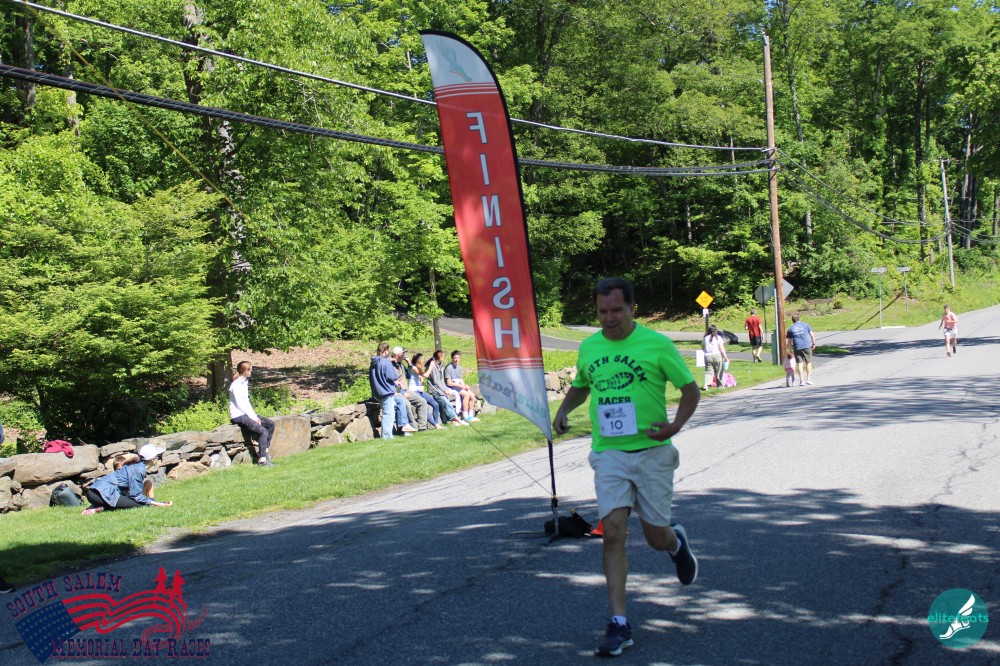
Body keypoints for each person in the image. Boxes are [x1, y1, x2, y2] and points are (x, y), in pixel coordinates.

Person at [552, 277, 700, 658]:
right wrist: (564, 409)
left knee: (655, 537)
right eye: (602, 311)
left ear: (633, 309)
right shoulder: (590, 347)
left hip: (652, 451)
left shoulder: (657, 344)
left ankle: (676, 542)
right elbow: (582, 383)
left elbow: (690, 390)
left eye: (617, 310)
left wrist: (674, 426)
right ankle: (619, 623)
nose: (609, 318)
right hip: (610, 454)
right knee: (613, 533)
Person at [81, 445, 173, 514]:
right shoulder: (139, 470)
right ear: (153, 459)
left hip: (95, 492)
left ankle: (98, 506)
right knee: (139, 505)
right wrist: (159, 504)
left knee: (131, 503)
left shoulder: (137, 465)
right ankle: (95, 509)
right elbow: (136, 496)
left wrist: (155, 502)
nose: (159, 459)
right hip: (100, 494)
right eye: (158, 456)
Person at [229, 361, 277, 465]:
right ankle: (263, 460)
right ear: (245, 371)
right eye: (250, 369)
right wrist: (253, 418)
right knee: (263, 431)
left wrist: (254, 416)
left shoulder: (244, 382)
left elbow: (246, 402)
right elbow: (240, 404)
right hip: (238, 416)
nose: (251, 371)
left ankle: (265, 453)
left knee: (270, 424)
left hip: (245, 414)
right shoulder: (236, 385)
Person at [369, 343, 418, 439]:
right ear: (385, 350)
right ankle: (387, 435)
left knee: (396, 405)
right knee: (388, 414)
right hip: (387, 391)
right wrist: (395, 382)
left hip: (378, 392)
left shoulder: (373, 363)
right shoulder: (385, 362)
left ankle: (401, 427)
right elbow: (392, 376)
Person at [425, 350, 468, 427]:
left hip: (440, 390)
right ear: (439, 357)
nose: (444, 357)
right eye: (443, 356)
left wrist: (445, 389)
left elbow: (441, 381)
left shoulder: (439, 366)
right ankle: (458, 420)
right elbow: (436, 381)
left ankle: (452, 421)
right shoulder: (432, 367)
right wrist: (444, 390)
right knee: (445, 402)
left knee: (447, 400)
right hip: (434, 391)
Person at [392, 347, 429, 431]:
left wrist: (409, 364)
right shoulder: (391, 366)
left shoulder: (401, 365)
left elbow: (408, 376)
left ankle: (422, 426)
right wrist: (401, 393)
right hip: (397, 391)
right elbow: (391, 382)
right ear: (398, 355)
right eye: (403, 353)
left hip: (406, 390)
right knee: (407, 404)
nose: (405, 355)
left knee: (422, 401)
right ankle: (413, 426)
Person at [407, 353, 446, 429]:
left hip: (419, 391)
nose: (424, 361)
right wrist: (431, 366)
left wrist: (422, 385)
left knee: (436, 404)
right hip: (414, 391)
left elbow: (421, 378)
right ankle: (436, 425)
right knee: (424, 407)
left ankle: (436, 424)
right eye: (423, 360)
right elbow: (426, 375)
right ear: (419, 361)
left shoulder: (418, 368)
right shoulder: (414, 368)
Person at [445, 351, 479, 422]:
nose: (456, 359)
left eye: (458, 358)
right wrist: (460, 386)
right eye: (455, 358)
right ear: (452, 358)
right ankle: (465, 415)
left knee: (472, 395)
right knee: (466, 395)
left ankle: (471, 415)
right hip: (452, 387)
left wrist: (464, 386)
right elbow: (449, 383)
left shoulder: (459, 367)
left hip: (459, 386)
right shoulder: (449, 368)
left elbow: (460, 379)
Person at [786, 314, 817, 385]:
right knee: (808, 362)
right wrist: (813, 343)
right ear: (799, 319)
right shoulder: (805, 325)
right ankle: (808, 379)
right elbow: (812, 335)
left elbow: (789, 341)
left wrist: (790, 350)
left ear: (792, 320)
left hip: (797, 347)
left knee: (799, 363)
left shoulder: (790, 328)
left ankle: (801, 381)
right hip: (806, 345)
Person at [702, 325, 729, 390]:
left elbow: (702, 347)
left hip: (707, 356)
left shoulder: (705, 338)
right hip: (717, 355)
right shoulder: (718, 338)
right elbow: (721, 348)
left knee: (708, 371)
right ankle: (720, 386)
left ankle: (706, 384)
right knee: (719, 371)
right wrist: (725, 357)